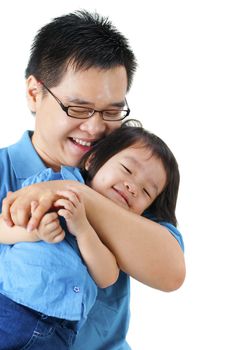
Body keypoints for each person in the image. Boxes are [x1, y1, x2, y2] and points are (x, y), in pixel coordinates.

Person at [0, 10, 185, 350]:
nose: (96, 127)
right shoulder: (4, 170)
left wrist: (70, 192)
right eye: (79, 108)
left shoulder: (123, 185)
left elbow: (171, 271)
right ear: (33, 93)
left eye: (112, 111)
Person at [0, 123, 180, 349]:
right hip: (11, 306)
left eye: (146, 191)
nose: (133, 187)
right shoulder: (49, 183)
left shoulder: (120, 233)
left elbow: (106, 276)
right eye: (127, 169)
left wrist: (84, 229)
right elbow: (3, 228)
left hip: (59, 332)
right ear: (93, 160)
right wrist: (35, 231)